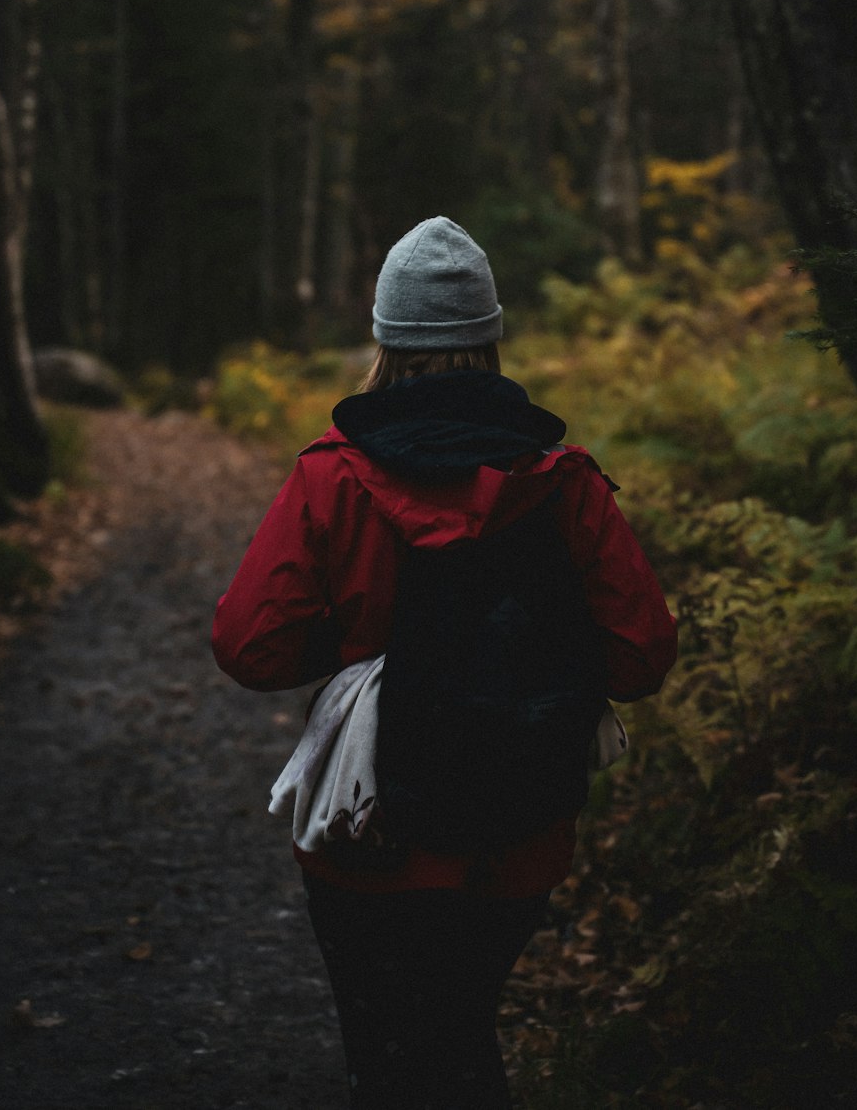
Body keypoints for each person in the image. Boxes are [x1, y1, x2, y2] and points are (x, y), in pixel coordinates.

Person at [212, 217, 677, 1110]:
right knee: (462, 1032)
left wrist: (357, 657)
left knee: (388, 1054)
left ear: (386, 339)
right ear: (489, 338)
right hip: (518, 836)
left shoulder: (333, 476)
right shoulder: (562, 478)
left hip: (369, 835)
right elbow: (643, 654)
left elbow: (247, 644)